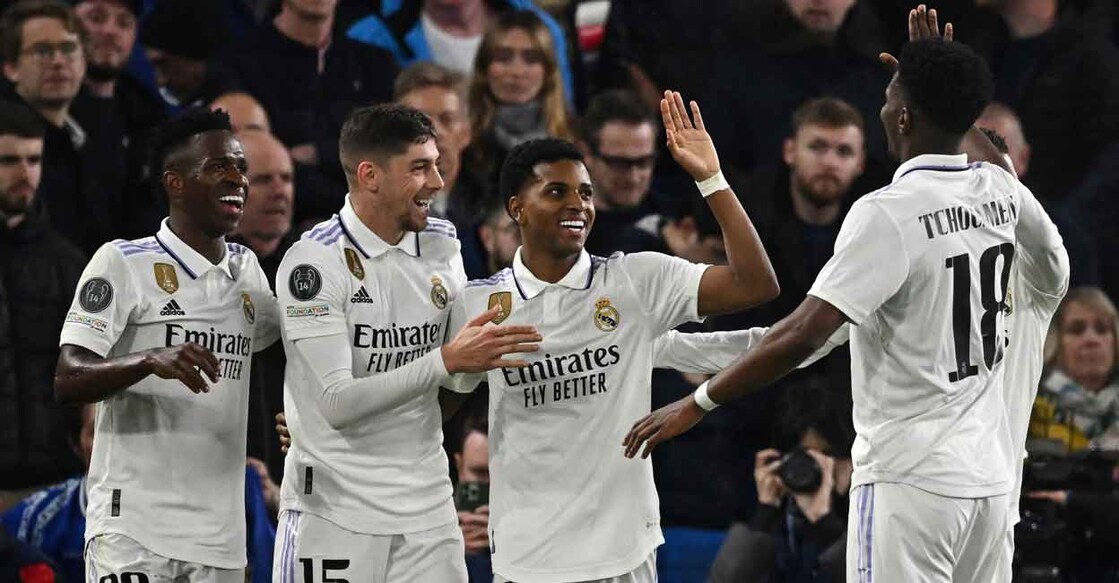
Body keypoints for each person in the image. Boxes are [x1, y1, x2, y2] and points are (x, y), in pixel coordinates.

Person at [622, 9, 1065, 582]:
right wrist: (948, 84)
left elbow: (802, 333)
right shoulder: (1003, 192)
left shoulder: (887, 214)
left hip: (912, 483)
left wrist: (697, 402)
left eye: (890, 94)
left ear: (903, 115)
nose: (881, 106)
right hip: (989, 484)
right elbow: (1052, 265)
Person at [444, 88, 779, 582]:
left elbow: (755, 283)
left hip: (624, 554)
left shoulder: (634, 281)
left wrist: (712, 178)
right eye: (555, 192)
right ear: (516, 207)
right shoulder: (476, 304)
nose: (577, 204)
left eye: (583, 192)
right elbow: (431, 411)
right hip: (528, 558)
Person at [271, 103, 542, 582]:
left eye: (437, 164)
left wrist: (468, 364)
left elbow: (455, 379)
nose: (438, 182)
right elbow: (335, 401)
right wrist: (445, 361)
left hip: (427, 508)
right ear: (370, 175)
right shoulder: (313, 263)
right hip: (334, 513)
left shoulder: (443, 245)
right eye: (420, 167)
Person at [53, 107, 281, 581]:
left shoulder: (248, 272)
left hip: (219, 535)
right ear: (175, 182)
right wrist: (149, 359)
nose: (237, 178)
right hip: (134, 528)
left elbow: (291, 354)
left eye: (241, 167)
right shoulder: (122, 263)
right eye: (218, 167)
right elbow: (68, 377)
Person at [0, 100, 87, 513]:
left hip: (57, 482)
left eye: (33, 160)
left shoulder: (68, 263)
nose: (24, 174)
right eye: (8, 160)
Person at [0, 0, 128, 255]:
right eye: (42, 51)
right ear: (11, 68)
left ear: (83, 61)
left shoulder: (95, 139)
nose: (58, 62)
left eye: (68, 49)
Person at [709, 385, 855, 583]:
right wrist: (765, 514)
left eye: (825, 456)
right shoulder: (770, 516)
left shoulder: (862, 517)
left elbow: (864, 574)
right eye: (804, 458)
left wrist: (824, 522)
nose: (812, 470)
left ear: (847, 460)